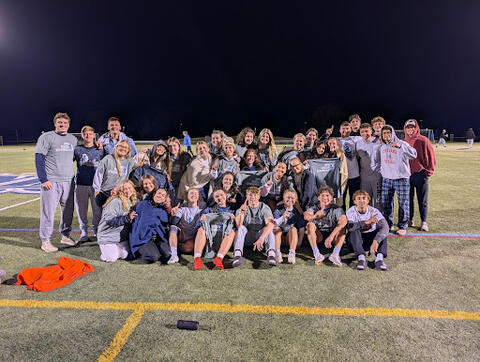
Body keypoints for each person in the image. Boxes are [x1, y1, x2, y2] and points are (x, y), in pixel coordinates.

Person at [35, 112, 78, 252]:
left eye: (65, 123)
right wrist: (43, 179)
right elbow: (39, 157)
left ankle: (65, 235)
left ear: (68, 125)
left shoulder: (72, 139)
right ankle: (45, 241)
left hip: (69, 181)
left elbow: (70, 158)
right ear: (55, 123)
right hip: (51, 182)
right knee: (48, 212)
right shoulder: (46, 137)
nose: (62, 125)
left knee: (68, 211)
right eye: (60, 122)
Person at [371, 125, 417, 235]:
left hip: (401, 179)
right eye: (384, 133)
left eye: (388, 132)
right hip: (387, 178)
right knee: (386, 202)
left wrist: (401, 147)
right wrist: (382, 170)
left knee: (403, 203)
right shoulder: (380, 146)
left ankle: (403, 226)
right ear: (381, 135)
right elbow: (374, 162)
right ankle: (389, 223)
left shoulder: (402, 144)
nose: (387, 135)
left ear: (393, 133)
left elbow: (414, 155)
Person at [403, 119, 436, 232]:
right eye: (408, 127)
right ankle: (410, 219)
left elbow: (431, 156)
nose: (410, 129)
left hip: (421, 174)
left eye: (412, 127)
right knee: (408, 199)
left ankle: (424, 222)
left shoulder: (423, 140)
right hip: (407, 175)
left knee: (422, 200)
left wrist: (428, 172)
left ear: (416, 127)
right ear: (405, 128)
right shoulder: (404, 141)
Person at [73, 125, 105, 242]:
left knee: (97, 211)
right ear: (82, 135)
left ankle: (97, 231)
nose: (88, 136)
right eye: (85, 134)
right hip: (81, 183)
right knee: (82, 210)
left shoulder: (101, 149)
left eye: (90, 133)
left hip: (96, 186)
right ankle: (84, 233)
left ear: (93, 135)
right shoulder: (77, 149)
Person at [192, 188, 236, 270]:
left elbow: (237, 227)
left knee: (232, 231)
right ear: (214, 199)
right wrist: (202, 219)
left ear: (226, 196)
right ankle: (197, 258)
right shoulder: (209, 210)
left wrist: (234, 219)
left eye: (222, 195)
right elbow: (196, 226)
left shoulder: (232, 210)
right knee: (201, 229)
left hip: (224, 238)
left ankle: (219, 258)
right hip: (210, 238)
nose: (220, 197)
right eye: (217, 196)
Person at [232, 187, 277, 267]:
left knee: (269, 229)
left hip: (259, 237)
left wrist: (262, 238)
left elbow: (271, 224)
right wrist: (241, 213)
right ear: (246, 196)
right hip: (248, 237)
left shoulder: (264, 207)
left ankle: (271, 255)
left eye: (255, 195)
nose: (253, 197)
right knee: (241, 228)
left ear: (259, 196)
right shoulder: (242, 208)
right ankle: (237, 256)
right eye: (250, 195)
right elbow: (238, 225)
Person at [304, 186, 347, 266]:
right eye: (323, 195)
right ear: (319, 197)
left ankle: (335, 254)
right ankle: (317, 254)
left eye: (327, 196)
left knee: (342, 228)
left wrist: (331, 237)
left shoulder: (336, 209)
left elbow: (343, 221)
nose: (325, 198)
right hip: (318, 236)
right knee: (310, 225)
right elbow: (306, 216)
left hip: (332, 237)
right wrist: (315, 216)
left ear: (331, 198)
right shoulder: (314, 207)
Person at [346, 190, 389, 270]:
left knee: (382, 232)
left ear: (368, 200)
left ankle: (379, 259)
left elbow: (385, 227)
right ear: (355, 201)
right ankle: (361, 258)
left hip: (370, 241)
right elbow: (350, 227)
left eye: (364, 198)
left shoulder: (374, 211)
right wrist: (366, 222)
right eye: (358, 198)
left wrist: (376, 240)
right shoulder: (351, 211)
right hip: (355, 242)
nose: (361, 201)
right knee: (354, 230)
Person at [96, 180, 137, 262]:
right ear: (121, 190)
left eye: (129, 188)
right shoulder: (116, 201)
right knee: (112, 258)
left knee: (126, 255)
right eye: (125, 189)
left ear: (133, 189)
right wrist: (127, 218)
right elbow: (110, 221)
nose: (128, 190)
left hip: (119, 237)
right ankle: (105, 251)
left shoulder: (131, 201)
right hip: (107, 235)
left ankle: (113, 249)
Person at [129, 188, 172, 263]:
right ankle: (142, 255)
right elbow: (137, 222)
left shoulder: (163, 210)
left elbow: (166, 224)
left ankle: (155, 251)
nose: (160, 196)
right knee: (154, 256)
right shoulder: (142, 204)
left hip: (158, 238)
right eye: (158, 193)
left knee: (168, 254)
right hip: (144, 238)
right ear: (154, 194)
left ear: (165, 199)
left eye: (163, 195)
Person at [93, 140, 135, 207]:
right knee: (105, 216)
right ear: (116, 147)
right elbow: (98, 174)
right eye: (121, 146)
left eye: (126, 147)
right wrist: (96, 190)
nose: (123, 149)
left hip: (121, 194)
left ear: (128, 150)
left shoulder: (129, 161)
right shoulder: (108, 159)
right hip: (105, 193)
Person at [167, 188, 203, 264]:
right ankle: (174, 255)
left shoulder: (202, 207)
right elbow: (174, 222)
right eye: (191, 193)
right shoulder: (182, 208)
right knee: (173, 227)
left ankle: (176, 247)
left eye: (196, 194)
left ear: (198, 196)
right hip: (182, 235)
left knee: (188, 248)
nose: (194, 195)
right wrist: (173, 214)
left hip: (194, 236)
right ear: (187, 196)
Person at [273, 189, 304, 264]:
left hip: (289, 239)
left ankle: (292, 253)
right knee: (277, 229)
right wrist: (283, 217)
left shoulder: (296, 212)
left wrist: (299, 243)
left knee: (293, 229)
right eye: (288, 197)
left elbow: (302, 228)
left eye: (292, 198)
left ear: (295, 200)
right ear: (283, 198)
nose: (290, 199)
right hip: (279, 238)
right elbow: (274, 225)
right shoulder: (278, 209)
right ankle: (277, 253)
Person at [356, 123, 382, 209]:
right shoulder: (358, 143)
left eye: (366, 131)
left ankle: (378, 220)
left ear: (371, 131)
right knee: (366, 199)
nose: (364, 133)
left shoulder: (378, 142)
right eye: (362, 131)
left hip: (377, 175)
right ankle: (369, 219)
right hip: (364, 176)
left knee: (378, 200)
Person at [339, 121, 360, 209]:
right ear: (340, 130)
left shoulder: (355, 139)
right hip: (341, 174)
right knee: (341, 198)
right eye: (343, 128)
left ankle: (352, 217)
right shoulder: (336, 141)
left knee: (353, 197)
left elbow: (369, 137)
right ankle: (342, 217)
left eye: (347, 128)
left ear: (350, 129)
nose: (345, 130)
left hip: (354, 173)